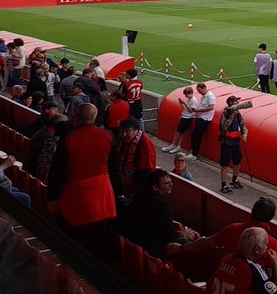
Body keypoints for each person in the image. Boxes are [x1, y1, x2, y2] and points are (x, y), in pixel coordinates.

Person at [48, 103, 117, 257]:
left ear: (75, 117)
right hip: (103, 195)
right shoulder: (108, 136)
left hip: (76, 195)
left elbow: (57, 171)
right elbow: (115, 169)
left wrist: (52, 198)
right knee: (98, 243)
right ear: (93, 118)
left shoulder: (68, 139)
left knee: (71, 243)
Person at [174, 196, 277, 282]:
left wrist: (182, 248)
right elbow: (269, 275)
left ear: (252, 211)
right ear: (271, 218)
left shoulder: (233, 229)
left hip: (221, 279)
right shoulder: (272, 243)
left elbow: (207, 243)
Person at [128, 168, 198, 258]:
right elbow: (167, 234)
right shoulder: (161, 205)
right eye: (166, 183)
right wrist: (183, 234)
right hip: (150, 246)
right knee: (185, 243)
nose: (171, 185)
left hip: (136, 240)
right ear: (155, 187)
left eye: (171, 182)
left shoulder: (138, 195)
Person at [207, 226, 277, 294]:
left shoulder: (225, 260)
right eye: (266, 245)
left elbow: (209, 287)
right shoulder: (252, 271)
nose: (267, 248)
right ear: (257, 249)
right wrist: (275, 265)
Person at [219, 95, 253, 193]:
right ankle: (223, 185)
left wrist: (245, 133)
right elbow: (224, 127)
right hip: (226, 142)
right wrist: (232, 116)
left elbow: (243, 124)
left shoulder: (238, 114)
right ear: (230, 103)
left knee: (237, 161)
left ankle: (234, 179)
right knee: (225, 164)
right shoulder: (226, 113)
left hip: (236, 142)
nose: (238, 103)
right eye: (235, 101)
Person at [115, 118, 156, 197]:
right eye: (122, 131)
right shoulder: (124, 141)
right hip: (125, 183)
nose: (124, 134)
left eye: (127, 131)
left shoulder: (144, 144)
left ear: (136, 130)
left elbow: (147, 170)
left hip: (138, 186)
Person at [162, 85, 198, 154]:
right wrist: (181, 103)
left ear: (190, 93)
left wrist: (184, 103)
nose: (186, 96)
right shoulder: (188, 99)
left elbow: (191, 111)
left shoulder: (193, 100)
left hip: (187, 118)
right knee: (181, 133)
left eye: (186, 94)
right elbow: (185, 108)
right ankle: (178, 146)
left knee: (178, 132)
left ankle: (174, 144)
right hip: (184, 116)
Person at [189, 82, 216, 159]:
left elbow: (211, 107)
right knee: (194, 135)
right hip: (200, 117)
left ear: (204, 88)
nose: (199, 92)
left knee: (196, 135)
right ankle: (193, 151)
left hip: (205, 118)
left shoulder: (210, 96)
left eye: (200, 90)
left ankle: (194, 153)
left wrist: (200, 110)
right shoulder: (204, 96)